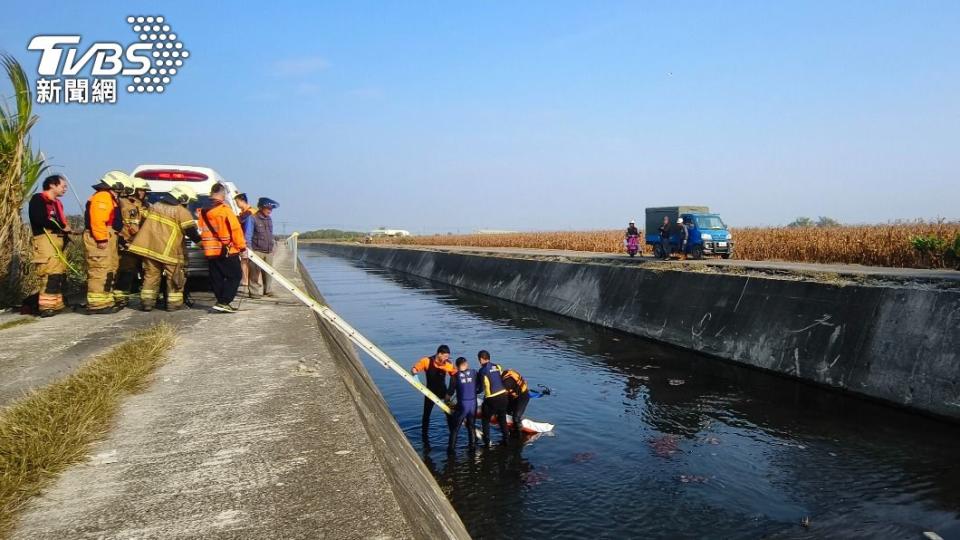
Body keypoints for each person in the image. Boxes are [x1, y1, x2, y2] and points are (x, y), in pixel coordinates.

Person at [128, 185, 202, 312]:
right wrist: (202, 244)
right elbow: (191, 232)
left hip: (149, 249)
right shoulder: (181, 211)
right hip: (169, 251)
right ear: (182, 197)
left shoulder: (155, 205)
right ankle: (174, 304)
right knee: (174, 277)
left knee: (151, 276)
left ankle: (147, 303)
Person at [83, 171, 129, 314]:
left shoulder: (109, 197)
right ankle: (97, 305)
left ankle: (105, 301)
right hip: (101, 238)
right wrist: (101, 239)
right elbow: (98, 220)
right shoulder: (103, 197)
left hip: (108, 236)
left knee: (109, 269)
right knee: (100, 269)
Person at [198, 182, 247, 313]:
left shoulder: (202, 211)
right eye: (224, 194)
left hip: (210, 250)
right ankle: (224, 301)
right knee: (235, 275)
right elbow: (235, 230)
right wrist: (242, 248)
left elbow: (202, 229)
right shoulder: (224, 210)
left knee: (216, 277)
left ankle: (221, 301)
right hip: (226, 250)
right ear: (222, 195)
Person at [27, 174, 72, 317]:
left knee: (58, 273)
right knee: (49, 272)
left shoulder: (57, 203)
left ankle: (56, 304)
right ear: (52, 185)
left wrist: (66, 229)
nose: (65, 189)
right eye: (63, 186)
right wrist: (59, 226)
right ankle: (46, 307)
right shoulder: (38, 199)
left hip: (57, 239)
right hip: (45, 239)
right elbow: (38, 218)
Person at [410, 345, 457, 450]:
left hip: (443, 392)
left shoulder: (448, 364)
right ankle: (424, 436)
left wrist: (450, 392)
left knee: (449, 413)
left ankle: (452, 433)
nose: (446, 358)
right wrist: (415, 376)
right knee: (426, 415)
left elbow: (455, 376)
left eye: (447, 356)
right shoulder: (426, 361)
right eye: (445, 356)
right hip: (429, 392)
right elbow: (414, 369)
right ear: (439, 354)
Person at [114, 177, 149, 307]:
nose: (142, 193)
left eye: (144, 191)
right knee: (126, 271)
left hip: (141, 244)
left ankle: (146, 299)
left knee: (146, 272)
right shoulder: (124, 204)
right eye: (140, 190)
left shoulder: (145, 206)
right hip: (128, 243)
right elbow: (129, 226)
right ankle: (120, 298)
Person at [476, 350, 510, 447]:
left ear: (481, 359)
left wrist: (475, 392)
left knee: (485, 419)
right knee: (502, 418)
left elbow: (481, 388)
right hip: (504, 396)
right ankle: (506, 440)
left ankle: (486, 442)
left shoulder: (482, 370)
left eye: (479, 360)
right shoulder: (498, 366)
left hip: (492, 399)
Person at [446, 357, 478, 453]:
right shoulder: (474, 373)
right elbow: (479, 386)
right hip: (473, 404)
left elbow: (450, 392)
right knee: (471, 426)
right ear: (466, 363)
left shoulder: (455, 376)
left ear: (456, 366)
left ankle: (451, 451)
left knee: (455, 428)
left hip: (463, 405)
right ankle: (472, 448)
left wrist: (447, 402)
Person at [248, 197, 279, 298]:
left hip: (268, 251)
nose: (270, 211)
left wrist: (273, 245)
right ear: (261, 208)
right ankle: (253, 292)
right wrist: (249, 250)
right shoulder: (252, 218)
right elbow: (248, 235)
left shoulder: (269, 219)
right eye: (268, 208)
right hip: (257, 250)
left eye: (271, 209)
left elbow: (270, 234)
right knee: (254, 273)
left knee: (268, 272)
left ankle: (267, 290)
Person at [234, 193, 255, 295]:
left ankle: (246, 281)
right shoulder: (247, 212)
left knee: (245, 261)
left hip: (247, 241)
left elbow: (240, 223)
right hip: (248, 240)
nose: (237, 204)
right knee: (246, 261)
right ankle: (248, 281)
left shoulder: (248, 213)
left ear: (242, 201)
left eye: (237, 202)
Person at [502, 368, 530, 438]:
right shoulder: (504, 375)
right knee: (508, 413)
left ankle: (519, 436)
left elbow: (501, 397)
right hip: (512, 396)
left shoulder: (507, 382)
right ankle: (510, 432)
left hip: (522, 397)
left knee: (516, 417)